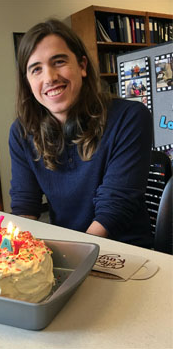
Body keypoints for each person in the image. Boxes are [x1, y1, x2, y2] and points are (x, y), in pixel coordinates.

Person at [9, 19, 153, 248]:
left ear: (82, 66)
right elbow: (26, 206)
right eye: (36, 69)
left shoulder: (130, 117)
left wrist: (75, 256)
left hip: (123, 251)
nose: (49, 77)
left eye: (59, 62)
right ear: (27, 82)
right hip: (66, 249)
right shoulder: (21, 132)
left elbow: (114, 207)